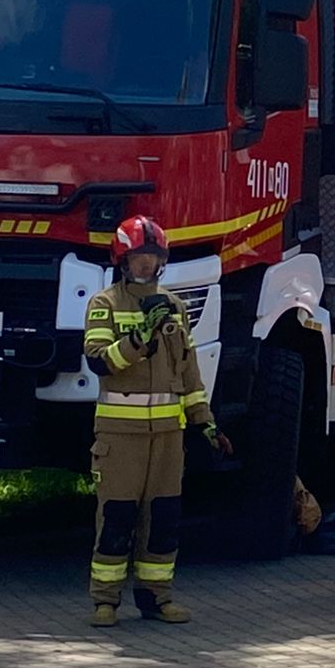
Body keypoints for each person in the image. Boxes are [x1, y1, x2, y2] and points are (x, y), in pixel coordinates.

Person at [81, 215, 230, 627]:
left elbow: (189, 373)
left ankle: (157, 598)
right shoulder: (104, 304)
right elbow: (100, 362)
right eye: (139, 258)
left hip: (167, 437)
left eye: (153, 257)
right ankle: (105, 600)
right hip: (119, 437)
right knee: (117, 518)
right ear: (122, 261)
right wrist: (138, 340)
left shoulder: (175, 307)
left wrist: (205, 423)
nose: (146, 265)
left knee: (163, 520)